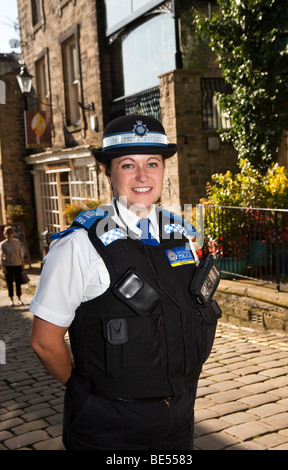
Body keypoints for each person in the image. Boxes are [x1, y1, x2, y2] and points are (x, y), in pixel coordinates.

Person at [30, 114, 221, 450]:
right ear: (108, 171)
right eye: (127, 165)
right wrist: (86, 391)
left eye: (152, 163)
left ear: (163, 170)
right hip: (109, 428)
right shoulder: (78, 245)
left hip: (179, 419)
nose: (143, 176)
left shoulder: (179, 235)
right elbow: (45, 342)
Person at [0, 225, 24, 306]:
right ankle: (11, 299)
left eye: (10, 233)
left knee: (18, 283)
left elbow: (20, 253)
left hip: (17, 264)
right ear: (5, 234)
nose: (9, 234)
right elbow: (1, 256)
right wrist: (3, 267)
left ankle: (19, 298)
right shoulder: (3, 244)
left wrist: (22, 263)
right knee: (9, 283)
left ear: (13, 233)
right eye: (7, 233)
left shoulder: (17, 242)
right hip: (8, 266)